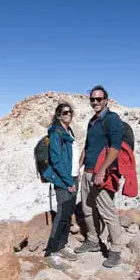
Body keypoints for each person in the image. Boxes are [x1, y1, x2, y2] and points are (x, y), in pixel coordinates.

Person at [75, 85, 124, 268]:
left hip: (100, 174)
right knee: (88, 210)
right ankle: (93, 241)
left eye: (98, 99)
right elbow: (87, 148)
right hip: (87, 173)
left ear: (106, 100)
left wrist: (102, 170)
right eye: (92, 99)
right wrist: (77, 169)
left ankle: (115, 250)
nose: (95, 102)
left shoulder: (112, 120)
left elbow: (115, 148)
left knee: (107, 212)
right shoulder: (92, 121)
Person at [41, 102, 80, 268]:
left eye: (70, 112)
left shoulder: (68, 132)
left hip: (73, 177)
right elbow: (56, 161)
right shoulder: (56, 134)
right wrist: (68, 181)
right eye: (64, 113)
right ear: (58, 115)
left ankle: (62, 246)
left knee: (68, 214)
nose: (68, 115)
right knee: (62, 214)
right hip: (65, 180)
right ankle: (50, 252)